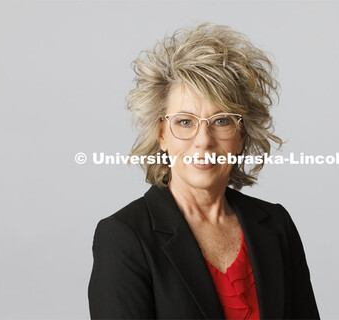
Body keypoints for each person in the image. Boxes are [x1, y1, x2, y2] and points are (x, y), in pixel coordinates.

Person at [88, 22, 320, 320]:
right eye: (185, 122)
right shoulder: (124, 237)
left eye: (221, 121)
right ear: (162, 134)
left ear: (242, 135)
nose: (203, 141)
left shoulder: (276, 226)